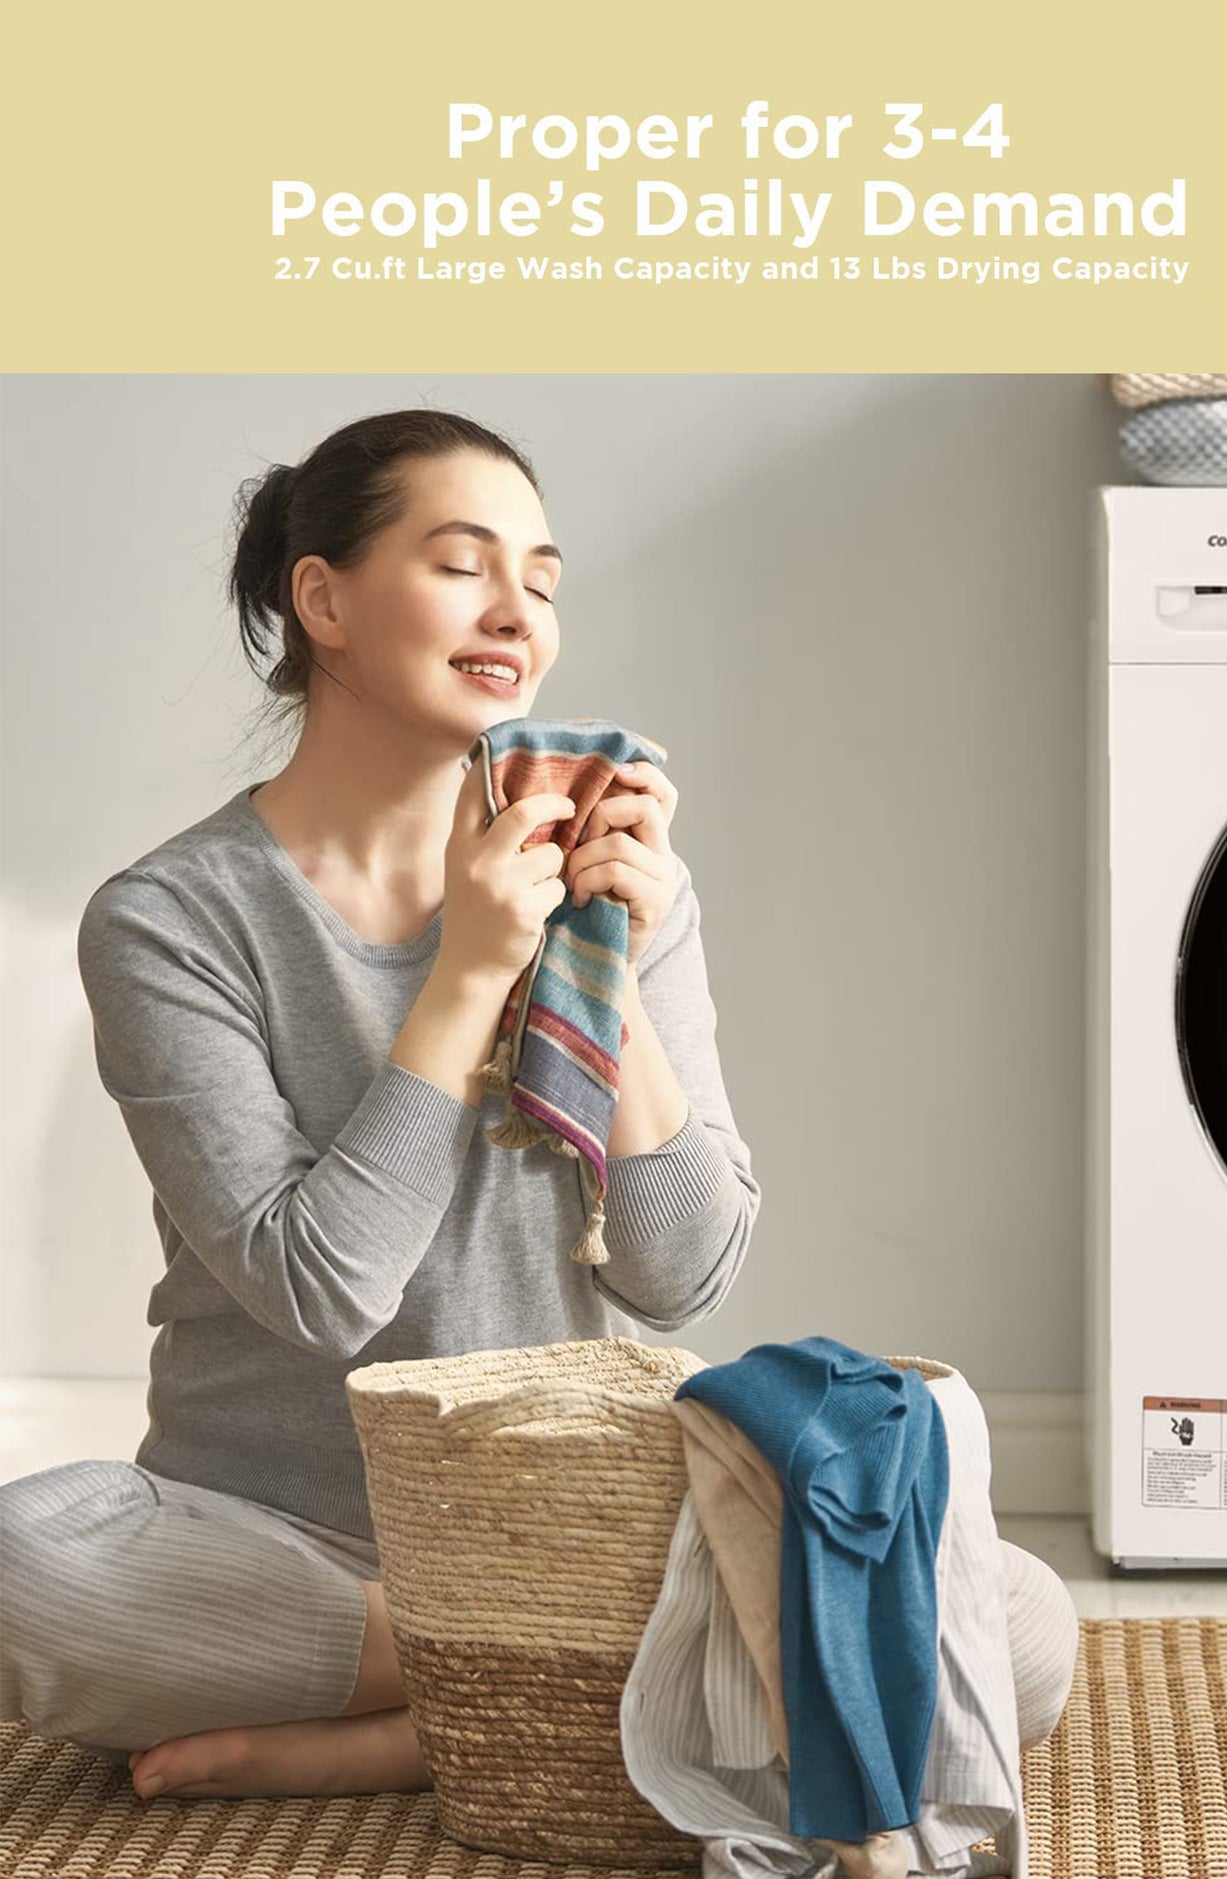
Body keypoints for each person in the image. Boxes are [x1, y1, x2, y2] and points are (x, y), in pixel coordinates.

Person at [0, 408, 764, 1801]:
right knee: (26, 1569)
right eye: (463, 562)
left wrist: (614, 979)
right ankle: (594, 1691)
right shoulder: (171, 920)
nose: (514, 610)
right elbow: (321, 1291)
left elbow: (683, 1274)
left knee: (1004, 1623)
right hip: (277, 1538)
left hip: (570, 1519)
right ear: (324, 599)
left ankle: (430, 1729)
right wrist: (468, 971)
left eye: (539, 577)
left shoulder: (616, 883)